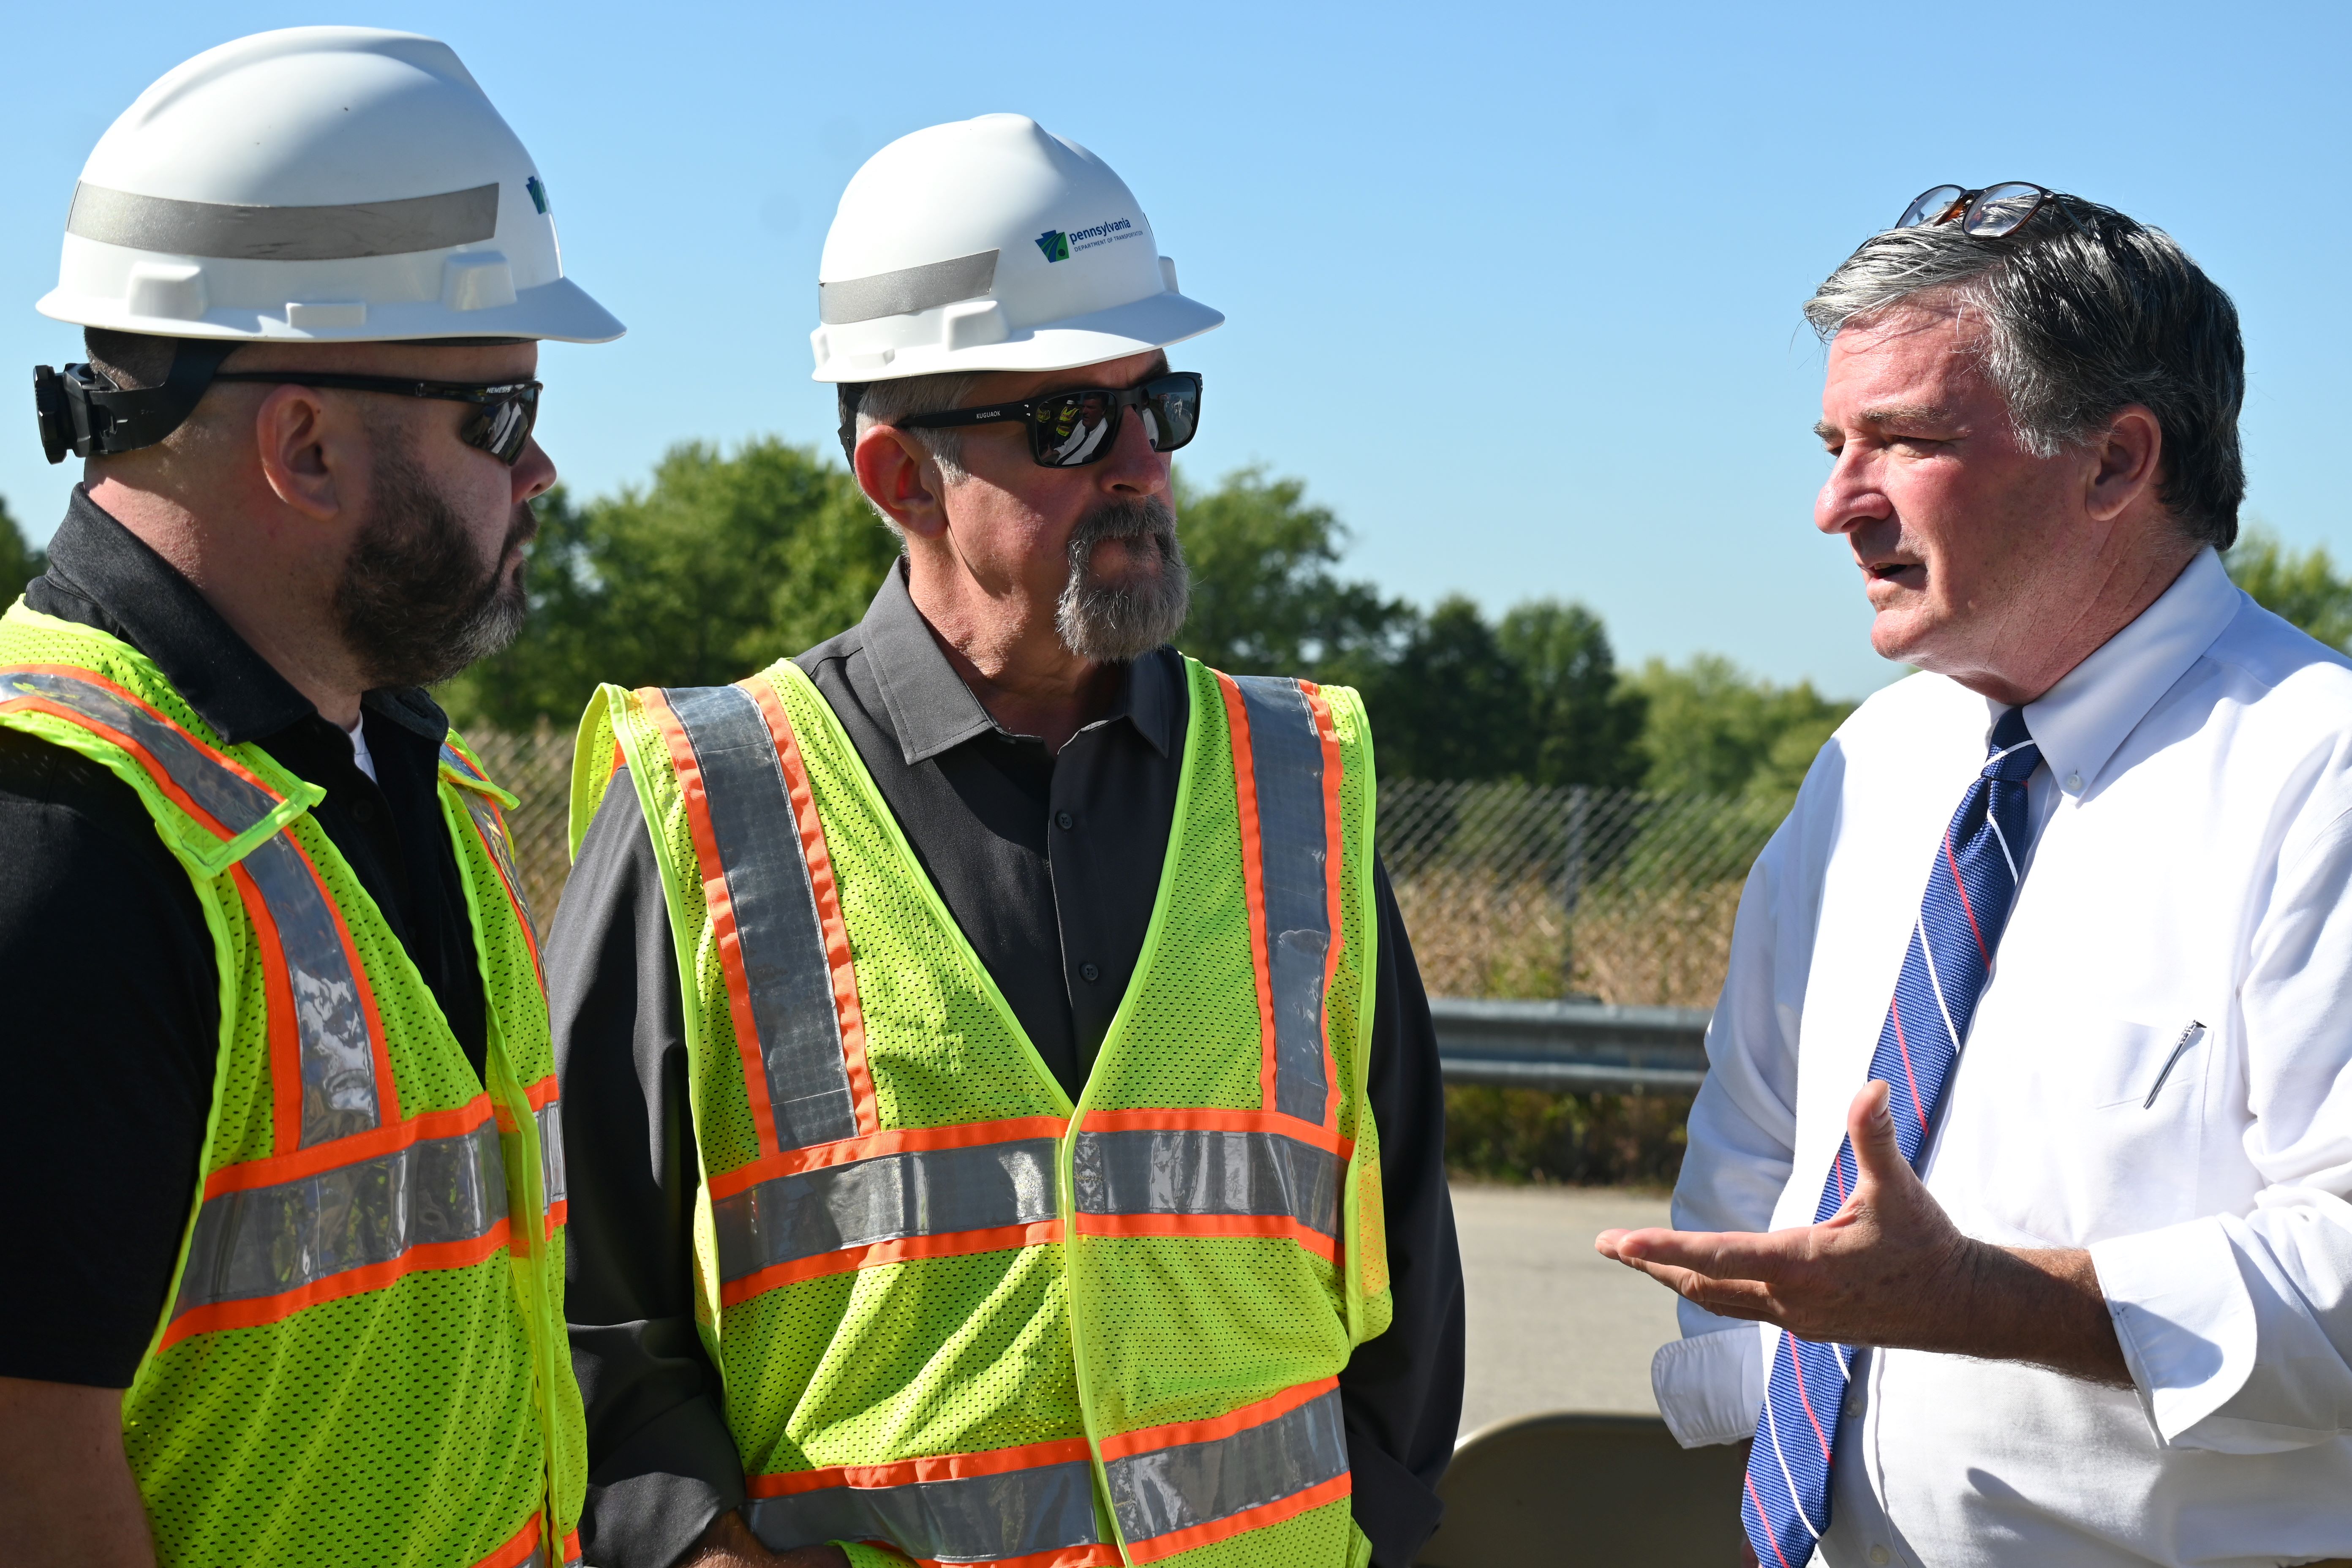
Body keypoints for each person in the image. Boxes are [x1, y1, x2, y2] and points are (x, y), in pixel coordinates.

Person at [551, 113, 1464, 1568]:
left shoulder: (1306, 777)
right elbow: (588, 1302)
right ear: (900, 480)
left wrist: (1380, 1522)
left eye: (1154, 406)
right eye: (1063, 423)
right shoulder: (712, 796)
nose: (1137, 468)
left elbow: (1404, 1248)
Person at [1595, 182, 2352, 1568]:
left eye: (1904, 441)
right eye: (1833, 443)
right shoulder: (1876, 765)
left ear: (2116, 463)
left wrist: (1983, 1302)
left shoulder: (2320, 776)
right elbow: (1757, 1140)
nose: (1835, 504)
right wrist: (1767, 1391)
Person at [0, 27, 623, 1568]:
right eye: (500, 415)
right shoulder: (63, 843)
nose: (542, 473)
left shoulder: (395, 762)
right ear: (304, 441)